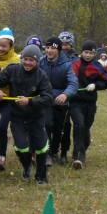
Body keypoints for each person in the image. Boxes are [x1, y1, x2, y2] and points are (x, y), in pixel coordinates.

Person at [0, 44, 53, 184]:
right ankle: (26, 166)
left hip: (36, 117)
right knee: (21, 147)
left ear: (37, 61)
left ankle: (41, 175)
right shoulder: (13, 70)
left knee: (41, 148)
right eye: (25, 59)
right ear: (21, 59)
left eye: (31, 60)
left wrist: (30, 101)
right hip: (17, 117)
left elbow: (48, 97)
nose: (27, 63)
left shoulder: (42, 76)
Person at [70, 40, 107, 169]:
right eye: (86, 52)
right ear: (81, 52)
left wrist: (96, 85)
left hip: (90, 103)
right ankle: (78, 156)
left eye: (91, 53)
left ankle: (82, 148)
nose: (88, 55)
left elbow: (106, 82)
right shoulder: (74, 64)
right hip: (75, 102)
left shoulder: (97, 66)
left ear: (94, 54)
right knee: (79, 125)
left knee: (85, 128)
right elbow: (67, 79)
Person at [40, 37, 78, 167]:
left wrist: (65, 94)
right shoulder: (41, 62)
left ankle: (56, 151)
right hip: (45, 101)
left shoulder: (67, 64)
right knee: (47, 125)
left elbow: (73, 83)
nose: (49, 50)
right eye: (47, 47)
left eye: (53, 48)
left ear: (59, 50)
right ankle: (48, 154)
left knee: (58, 129)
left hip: (61, 103)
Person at [0, 27, 20, 171]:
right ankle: (4, 137)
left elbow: (14, 78)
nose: (0, 48)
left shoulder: (16, 60)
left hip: (8, 98)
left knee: (2, 126)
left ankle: (1, 157)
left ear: (11, 46)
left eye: (4, 46)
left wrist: (0, 70)